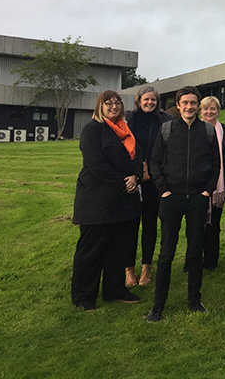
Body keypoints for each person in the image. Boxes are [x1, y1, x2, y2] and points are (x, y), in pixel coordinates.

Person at [146, 86, 221, 322]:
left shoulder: (207, 131)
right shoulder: (167, 129)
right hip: (172, 198)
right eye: (185, 103)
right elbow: (155, 162)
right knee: (166, 252)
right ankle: (158, 305)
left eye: (193, 103)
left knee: (195, 252)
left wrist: (207, 191)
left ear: (198, 105)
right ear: (178, 105)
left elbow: (215, 164)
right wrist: (164, 190)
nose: (189, 106)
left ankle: (194, 300)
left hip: (198, 198)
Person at [71, 90, 142, 311]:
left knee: (118, 249)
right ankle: (84, 296)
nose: (114, 106)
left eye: (117, 103)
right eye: (108, 103)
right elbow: (97, 165)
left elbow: (138, 158)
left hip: (123, 202)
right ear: (99, 106)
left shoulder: (126, 130)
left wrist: (136, 176)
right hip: (97, 201)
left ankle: (115, 289)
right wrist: (125, 182)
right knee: (92, 250)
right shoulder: (92, 130)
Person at [124, 85, 173, 287]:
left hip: (154, 179)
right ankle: (128, 269)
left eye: (153, 100)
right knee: (130, 225)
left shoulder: (165, 120)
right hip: (131, 177)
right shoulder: (129, 119)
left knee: (150, 224)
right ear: (139, 100)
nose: (150, 103)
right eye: (146, 99)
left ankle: (146, 267)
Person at [200, 96, 225, 271]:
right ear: (201, 111)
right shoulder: (195, 129)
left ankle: (212, 260)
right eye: (206, 109)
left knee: (214, 223)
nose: (209, 112)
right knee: (197, 223)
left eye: (213, 109)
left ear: (218, 111)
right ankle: (195, 259)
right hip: (198, 184)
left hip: (220, 185)